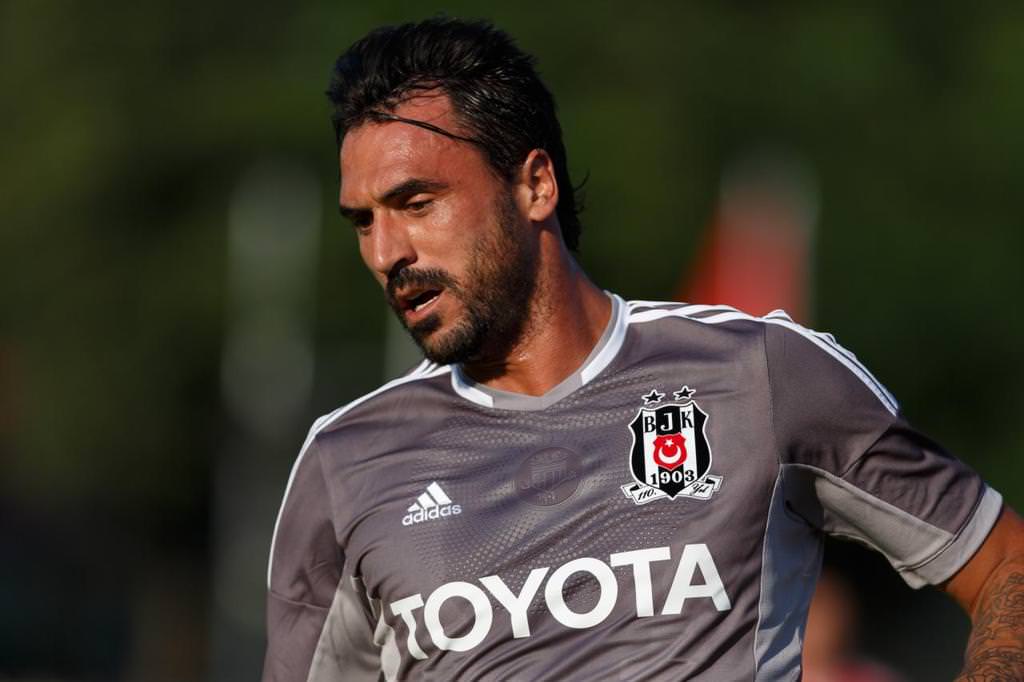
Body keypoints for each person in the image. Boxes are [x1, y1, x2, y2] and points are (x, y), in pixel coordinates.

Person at [262, 17, 1024, 681]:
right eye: (363, 221)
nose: (385, 252)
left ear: (534, 185)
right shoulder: (343, 464)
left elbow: (1005, 567)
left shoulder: (761, 374)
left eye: (416, 203)